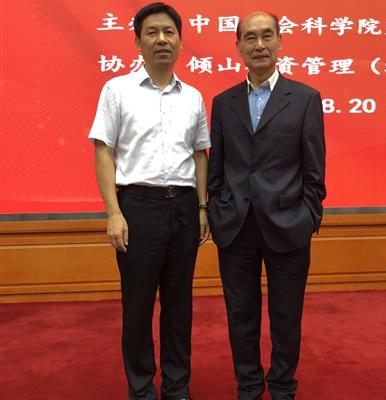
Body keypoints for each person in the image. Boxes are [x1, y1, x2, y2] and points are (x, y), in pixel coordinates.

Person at [88, 3, 210, 399]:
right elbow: (103, 150)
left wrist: (203, 207)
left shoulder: (193, 97)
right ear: (138, 41)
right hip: (137, 207)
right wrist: (113, 212)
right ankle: (141, 390)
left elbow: (200, 154)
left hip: (184, 207)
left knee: (179, 305)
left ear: (180, 41)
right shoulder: (117, 90)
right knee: (138, 306)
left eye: (169, 32)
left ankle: (177, 388)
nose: (162, 40)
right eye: (152, 32)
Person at [207, 11, 326, 400]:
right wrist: (216, 208)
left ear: (280, 42)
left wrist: (309, 216)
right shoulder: (223, 102)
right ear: (238, 46)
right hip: (236, 225)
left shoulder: (305, 99)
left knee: (286, 317)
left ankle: (283, 387)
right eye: (250, 38)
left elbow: (314, 169)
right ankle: (248, 387)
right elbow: (217, 165)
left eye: (267, 36)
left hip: (289, 224)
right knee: (240, 315)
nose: (259, 45)